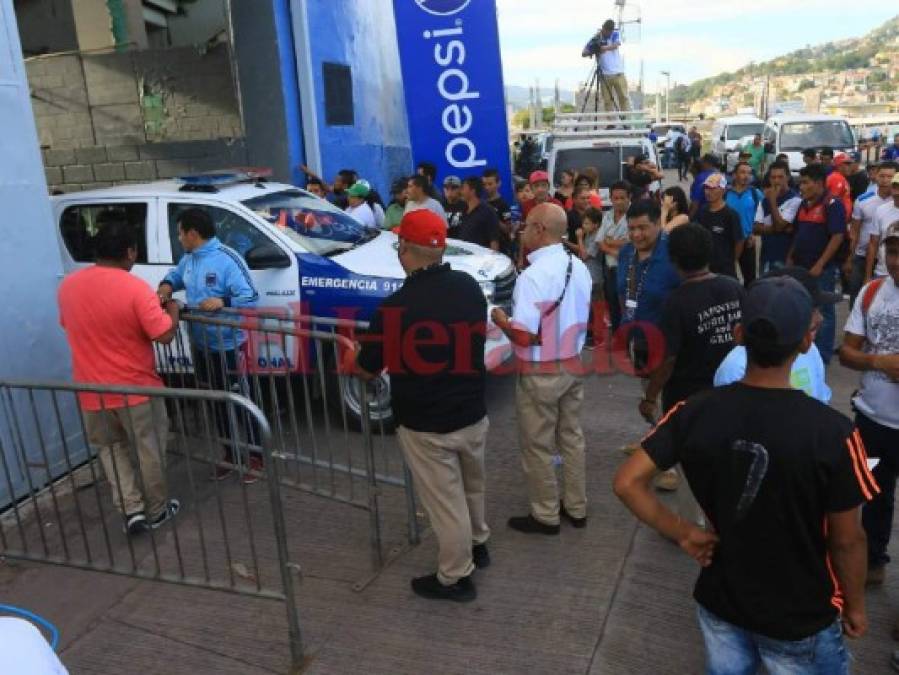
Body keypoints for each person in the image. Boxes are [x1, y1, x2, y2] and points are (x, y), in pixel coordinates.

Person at [614, 274, 874, 674]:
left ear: (738, 334)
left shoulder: (693, 411)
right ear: (808, 340)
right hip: (800, 616)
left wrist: (683, 532)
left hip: (722, 601)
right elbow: (847, 540)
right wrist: (854, 604)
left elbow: (628, 482)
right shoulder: (834, 433)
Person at [356, 209, 491, 602]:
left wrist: (353, 356)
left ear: (404, 251)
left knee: (446, 505)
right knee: (472, 486)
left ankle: (455, 577)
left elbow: (368, 369)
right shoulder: (468, 286)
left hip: (427, 423)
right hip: (471, 412)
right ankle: (478, 544)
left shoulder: (396, 307)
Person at [58, 214, 181, 534]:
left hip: (90, 389)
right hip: (137, 389)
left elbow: (69, 325)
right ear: (129, 252)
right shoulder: (135, 288)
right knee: (148, 449)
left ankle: (131, 510)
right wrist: (173, 310)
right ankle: (156, 509)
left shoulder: (68, 286)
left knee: (111, 450)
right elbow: (163, 334)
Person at [491, 203, 592, 534]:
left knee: (537, 443)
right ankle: (576, 507)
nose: (521, 232)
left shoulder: (533, 276)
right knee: (571, 437)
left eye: (526, 226)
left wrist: (499, 319)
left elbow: (523, 334)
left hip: (542, 369)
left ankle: (545, 514)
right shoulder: (578, 266)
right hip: (573, 363)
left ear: (540, 230)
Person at [158, 208, 262, 483]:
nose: (179, 238)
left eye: (180, 233)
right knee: (216, 403)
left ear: (193, 233)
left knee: (240, 401)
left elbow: (250, 296)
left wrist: (223, 302)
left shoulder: (227, 259)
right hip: (201, 346)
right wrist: (167, 286)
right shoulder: (190, 259)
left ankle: (256, 456)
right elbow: (176, 276)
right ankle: (230, 453)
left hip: (229, 347)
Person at [841, 222, 899, 588]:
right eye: (893, 252)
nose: (898, 261)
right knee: (873, 495)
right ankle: (874, 562)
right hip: (874, 421)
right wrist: (880, 363)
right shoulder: (872, 291)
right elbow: (847, 352)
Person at [641, 223, 744, 419]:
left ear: (673, 259)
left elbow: (668, 360)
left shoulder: (676, 302)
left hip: (688, 399)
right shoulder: (734, 287)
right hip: (732, 390)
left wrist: (650, 398)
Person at [714, 266, 837, 404]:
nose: (820, 318)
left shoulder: (812, 352)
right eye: (812, 310)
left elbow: (820, 400)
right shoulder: (734, 368)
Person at [787, 163, 847, 365]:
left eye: (805, 183)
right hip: (802, 267)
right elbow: (798, 234)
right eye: (800, 183)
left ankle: (822, 356)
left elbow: (837, 236)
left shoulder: (832, 204)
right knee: (806, 309)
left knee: (824, 312)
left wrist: (821, 264)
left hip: (822, 269)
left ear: (819, 183)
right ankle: (807, 350)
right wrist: (791, 256)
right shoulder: (804, 204)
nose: (801, 187)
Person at [848, 163, 893, 306]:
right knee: (858, 296)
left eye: (890, 177)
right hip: (861, 256)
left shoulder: (896, 202)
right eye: (882, 176)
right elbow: (854, 230)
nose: (885, 180)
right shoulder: (863, 200)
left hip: (887, 258)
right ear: (875, 177)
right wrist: (850, 257)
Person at [754, 161, 802, 273]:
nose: (776, 181)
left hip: (785, 258)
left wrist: (772, 201)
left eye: (780, 177)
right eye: (773, 177)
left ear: (788, 178)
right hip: (766, 257)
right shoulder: (764, 200)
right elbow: (756, 228)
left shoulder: (795, 200)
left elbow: (779, 226)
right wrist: (778, 229)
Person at [597, 181, 631, 331]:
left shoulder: (634, 215)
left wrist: (611, 242)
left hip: (628, 267)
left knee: (627, 302)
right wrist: (615, 249)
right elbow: (600, 241)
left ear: (629, 197)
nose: (618, 201)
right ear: (610, 198)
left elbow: (631, 241)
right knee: (612, 302)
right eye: (615, 198)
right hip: (610, 267)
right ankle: (617, 333)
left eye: (622, 198)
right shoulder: (608, 215)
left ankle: (629, 334)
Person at [697, 173, 744, 278]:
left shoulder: (731, 215)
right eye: (706, 188)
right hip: (705, 268)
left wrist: (731, 261)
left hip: (725, 270)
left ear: (723, 190)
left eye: (712, 188)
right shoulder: (703, 211)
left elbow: (739, 242)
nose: (708, 192)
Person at [582, 19, 630, 115]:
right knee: (607, 100)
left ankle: (626, 120)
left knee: (623, 97)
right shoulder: (596, 38)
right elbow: (584, 53)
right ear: (603, 28)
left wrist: (604, 48)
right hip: (604, 75)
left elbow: (616, 45)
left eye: (609, 32)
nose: (608, 34)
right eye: (606, 31)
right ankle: (611, 123)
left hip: (618, 73)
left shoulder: (615, 33)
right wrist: (594, 51)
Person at [725, 163, 763, 286]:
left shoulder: (755, 193)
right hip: (728, 241)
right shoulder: (725, 193)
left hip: (748, 241)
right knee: (727, 277)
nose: (746, 176)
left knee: (750, 279)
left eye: (749, 173)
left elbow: (762, 216)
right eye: (742, 172)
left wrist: (754, 232)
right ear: (735, 175)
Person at [575, 206, 605, 348]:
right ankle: (590, 335)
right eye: (583, 223)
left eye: (587, 223)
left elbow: (585, 255)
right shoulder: (589, 235)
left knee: (593, 308)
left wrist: (580, 238)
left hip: (595, 277)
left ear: (596, 224)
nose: (583, 226)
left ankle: (593, 338)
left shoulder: (597, 237)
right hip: (589, 275)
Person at [867, 170, 899, 282]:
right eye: (895, 186)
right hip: (883, 273)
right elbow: (873, 244)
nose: (897, 191)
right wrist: (867, 276)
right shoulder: (881, 210)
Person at [458, 176, 501, 251]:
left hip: (480, 257)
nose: (460, 192)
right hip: (463, 256)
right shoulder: (464, 209)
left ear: (472, 191)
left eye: (463, 188)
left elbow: (494, 240)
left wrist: (492, 260)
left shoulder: (488, 211)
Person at [483, 168, 513, 250]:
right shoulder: (481, 203)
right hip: (483, 246)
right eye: (484, 184)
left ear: (498, 184)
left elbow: (508, 230)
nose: (487, 187)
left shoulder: (503, 205)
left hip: (500, 248)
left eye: (490, 184)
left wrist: (493, 217)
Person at [689, 154, 720, 219]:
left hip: (702, 215)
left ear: (707, 163)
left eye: (702, 161)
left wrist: (689, 218)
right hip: (717, 214)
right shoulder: (720, 175)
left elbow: (695, 203)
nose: (701, 163)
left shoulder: (701, 177)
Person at [829, 153, 853, 218]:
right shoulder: (836, 178)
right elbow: (833, 202)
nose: (850, 166)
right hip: (837, 219)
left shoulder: (840, 177)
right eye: (847, 164)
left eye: (850, 164)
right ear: (838, 165)